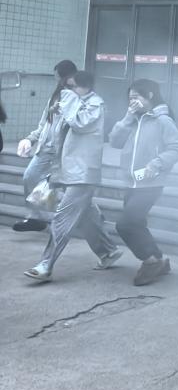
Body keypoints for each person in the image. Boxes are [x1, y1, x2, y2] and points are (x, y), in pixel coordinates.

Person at [25, 71, 120, 282]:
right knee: (86, 216)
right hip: (68, 171)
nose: (68, 91)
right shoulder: (72, 103)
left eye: (73, 86)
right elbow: (55, 135)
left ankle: (45, 265)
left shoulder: (95, 105)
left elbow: (79, 123)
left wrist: (66, 104)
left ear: (86, 87)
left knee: (62, 218)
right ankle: (108, 251)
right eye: (67, 87)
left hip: (83, 173)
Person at [108, 79, 178, 286]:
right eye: (130, 98)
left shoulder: (162, 120)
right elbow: (114, 141)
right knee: (137, 224)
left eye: (136, 97)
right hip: (131, 182)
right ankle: (159, 260)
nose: (132, 102)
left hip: (151, 183)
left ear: (150, 96)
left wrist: (157, 163)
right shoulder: (134, 119)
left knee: (125, 224)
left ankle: (150, 262)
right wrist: (127, 117)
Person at [13, 59, 78, 232]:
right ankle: (36, 218)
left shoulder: (76, 98)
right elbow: (44, 124)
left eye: (59, 77)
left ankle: (87, 215)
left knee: (68, 188)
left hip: (63, 151)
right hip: (45, 148)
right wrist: (30, 139)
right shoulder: (55, 97)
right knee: (30, 177)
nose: (57, 81)